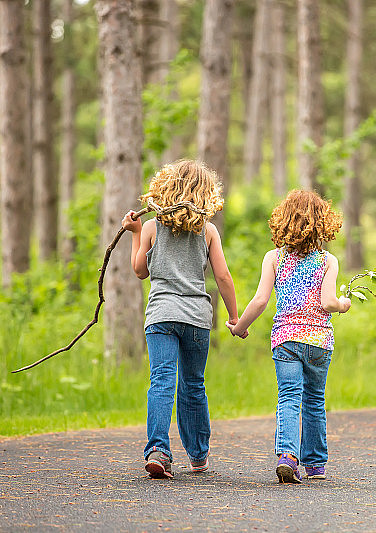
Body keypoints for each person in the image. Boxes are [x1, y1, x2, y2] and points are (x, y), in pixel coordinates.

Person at [122, 159, 239, 479]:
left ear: (164, 188)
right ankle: (198, 455)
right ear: (205, 194)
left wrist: (135, 233)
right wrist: (234, 317)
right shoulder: (208, 231)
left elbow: (139, 271)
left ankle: (158, 451)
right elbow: (223, 277)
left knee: (161, 381)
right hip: (197, 318)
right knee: (193, 384)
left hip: (161, 316)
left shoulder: (151, 227)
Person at [227, 189, 351, 483]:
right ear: (322, 223)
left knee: (289, 396)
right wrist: (343, 304)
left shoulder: (274, 258)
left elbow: (260, 300)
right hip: (319, 342)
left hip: (286, 340)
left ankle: (287, 456)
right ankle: (316, 465)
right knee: (315, 399)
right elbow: (328, 303)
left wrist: (240, 327)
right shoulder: (328, 261)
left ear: (283, 220)